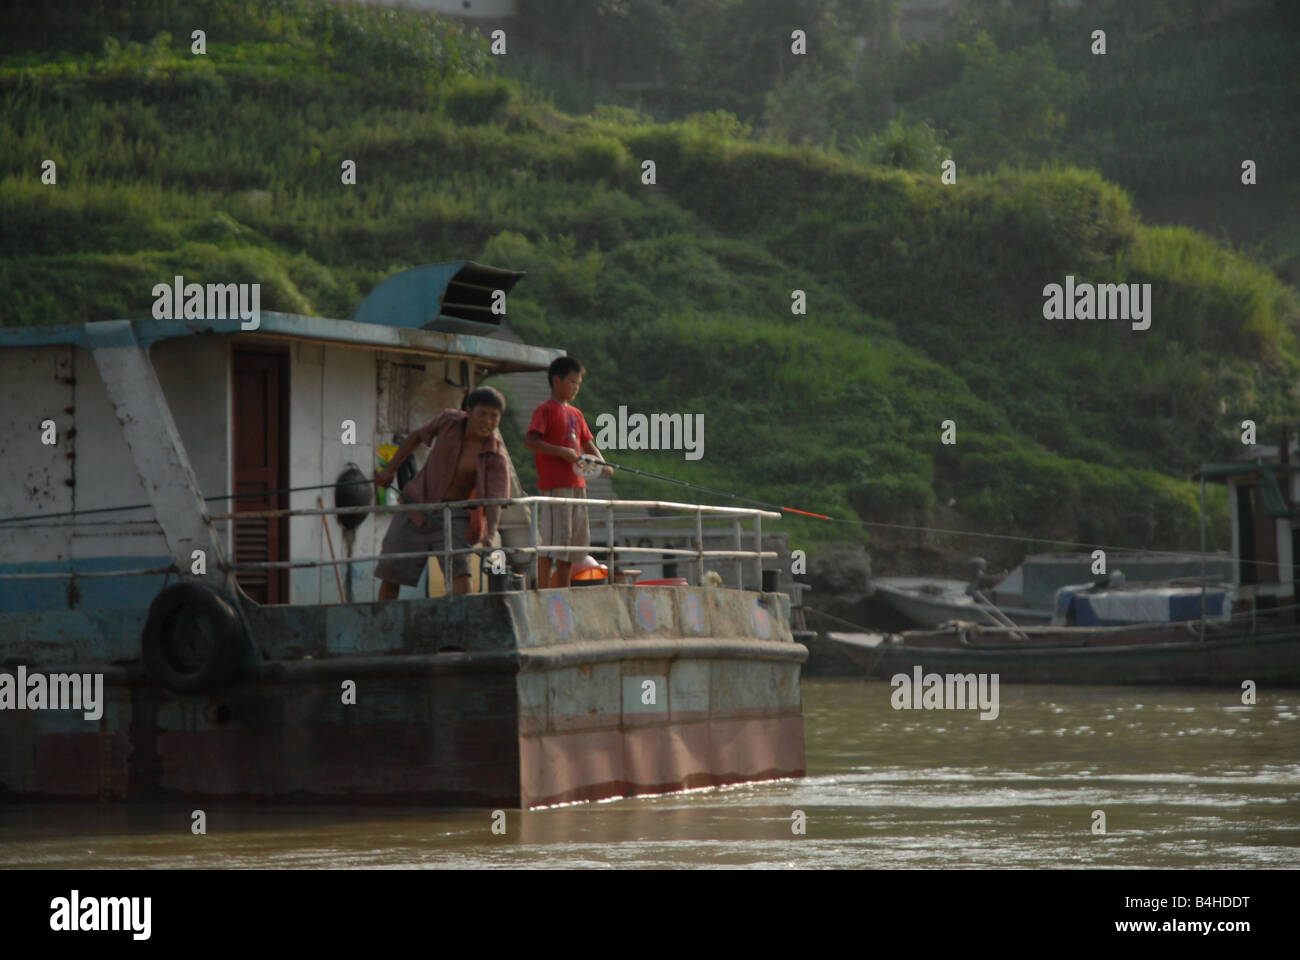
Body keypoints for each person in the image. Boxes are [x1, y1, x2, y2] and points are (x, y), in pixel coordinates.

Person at [372, 386, 510, 600]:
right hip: (416, 505)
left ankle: (462, 624)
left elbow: (495, 500)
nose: (488, 422)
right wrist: (390, 468)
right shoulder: (449, 420)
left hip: (454, 514)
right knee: (391, 574)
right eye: (483, 414)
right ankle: (382, 625)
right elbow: (417, 437)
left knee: (460, 572)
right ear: (469, 412)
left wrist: (491, 534)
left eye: (494, 417)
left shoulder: (496, 455)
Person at [525, 356, 612, 589]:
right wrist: (562, 452)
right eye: (572, 382)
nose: (576, 388)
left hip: (578, 486)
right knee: (554, 541)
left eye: (578, 384)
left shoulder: (576, 414)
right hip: (555, 486)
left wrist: (602, 464)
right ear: (557, 381)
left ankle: (563, 592)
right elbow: (532, 441)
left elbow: (588, 445)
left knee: (572, 546)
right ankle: (543, 590)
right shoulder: (545, 410)